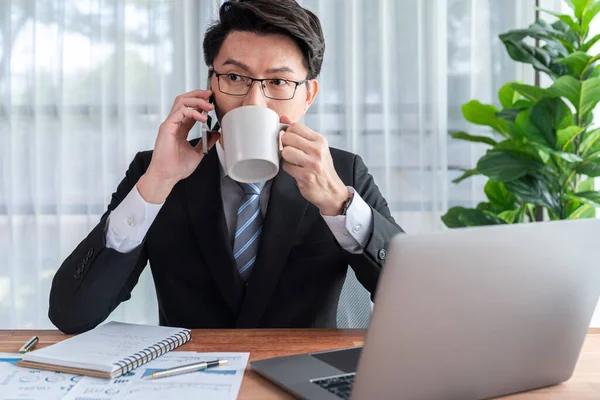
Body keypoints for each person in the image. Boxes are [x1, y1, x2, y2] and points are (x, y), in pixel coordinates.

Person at [48, 0, 403, 334]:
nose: (254, 102)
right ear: (210, 86)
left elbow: (411, 295)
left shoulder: (341, 171)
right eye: (235, 77)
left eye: (278, 82)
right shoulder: (157, 169)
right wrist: (156, 184)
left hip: (299, 381)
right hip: (188, 380)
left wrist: (340, 204)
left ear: (308, 95)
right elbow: (71, 313)